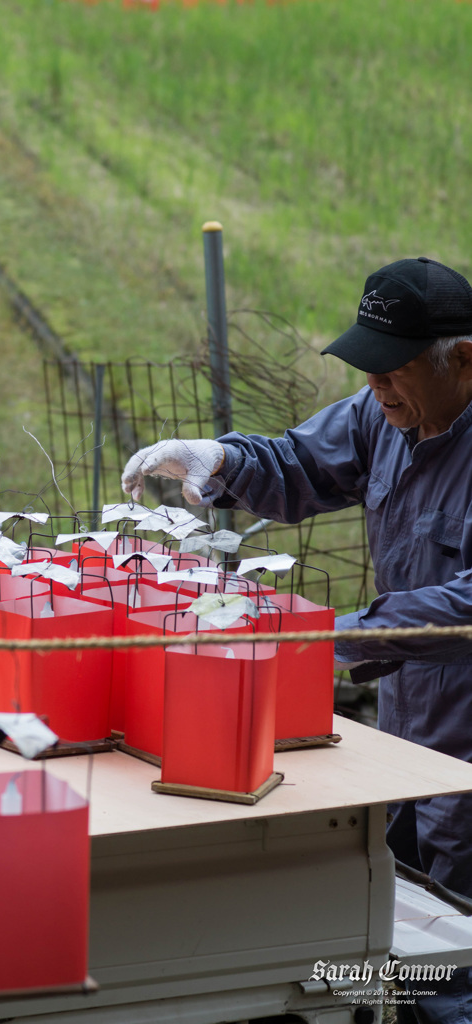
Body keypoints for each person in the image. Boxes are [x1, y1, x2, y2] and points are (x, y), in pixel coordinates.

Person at [122, 255, 472, 1024]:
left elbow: (464, 606)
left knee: (454, 968)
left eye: (392, 372)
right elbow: (298, 462)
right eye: (367, 370)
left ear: (462, 360)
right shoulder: (381, 416)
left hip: (467, 764)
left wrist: (324, 639)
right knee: (383, 945)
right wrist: (221, 460)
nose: (376, 389)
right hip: (408, 741)